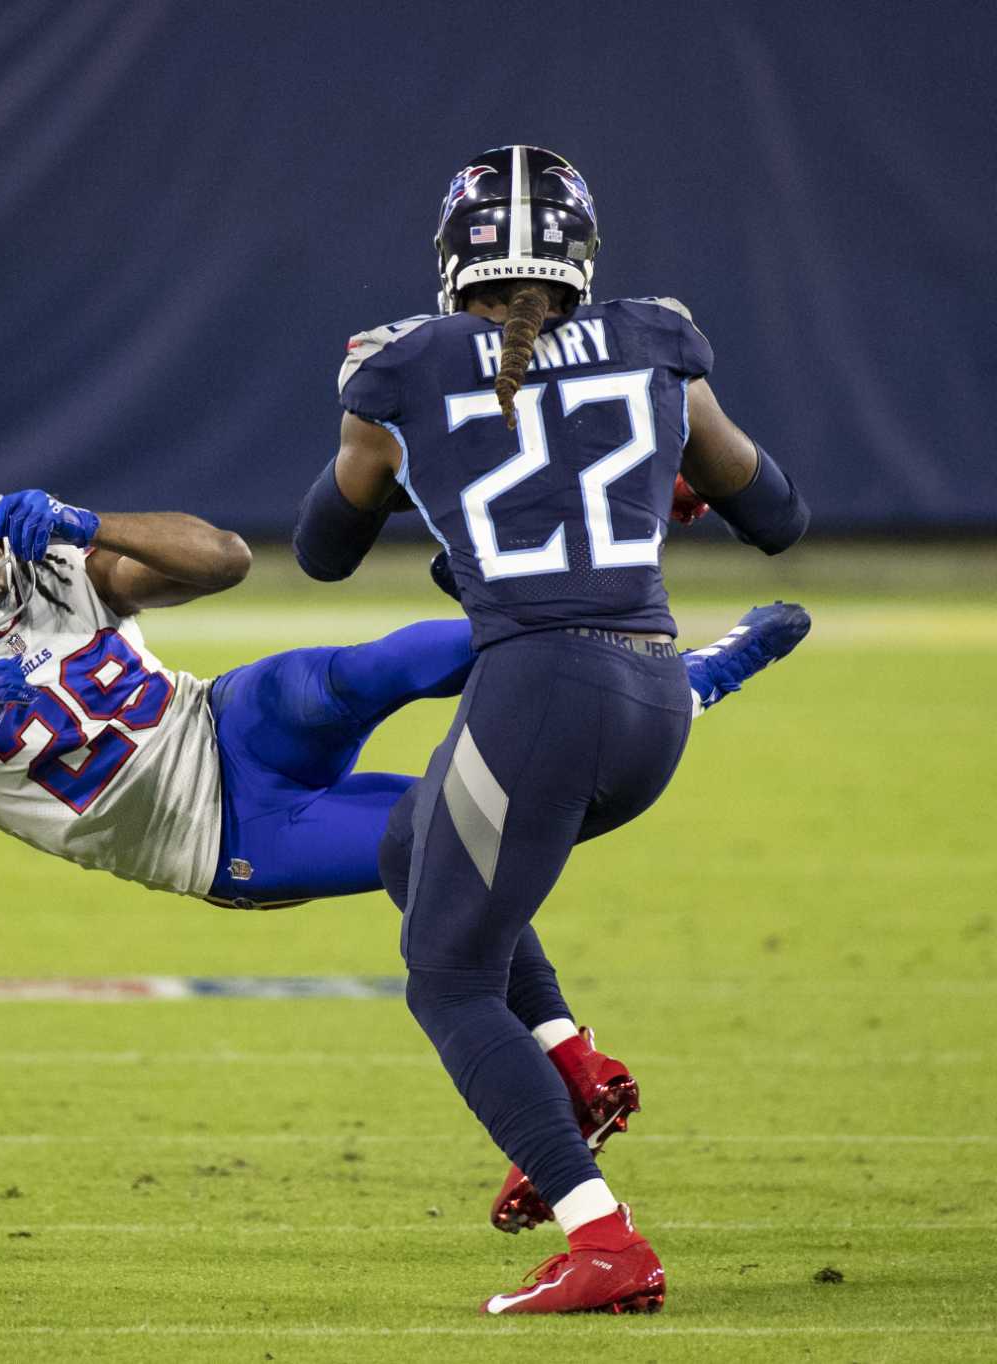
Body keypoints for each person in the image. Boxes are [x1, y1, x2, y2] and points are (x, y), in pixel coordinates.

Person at [292, 144, 812, 1315]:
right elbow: (774, 513)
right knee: (403, 847)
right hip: (641, 693)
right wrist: (666, 478)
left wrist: (400, 451)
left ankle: (604, 1238)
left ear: (449, 257)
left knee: (446, 979)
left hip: (537, 699)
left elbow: (323, 549)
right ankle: (572, 1064)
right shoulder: (658, 339)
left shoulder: (398, 365)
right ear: (580, 255)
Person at [0, 448, 800, 931]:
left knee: (396, 658)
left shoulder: (48, 567)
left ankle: (630, 649)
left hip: (229, 718)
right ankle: (675, 691)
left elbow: (223, 560)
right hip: (224, 841)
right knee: (462, 825)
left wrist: (87, 522)